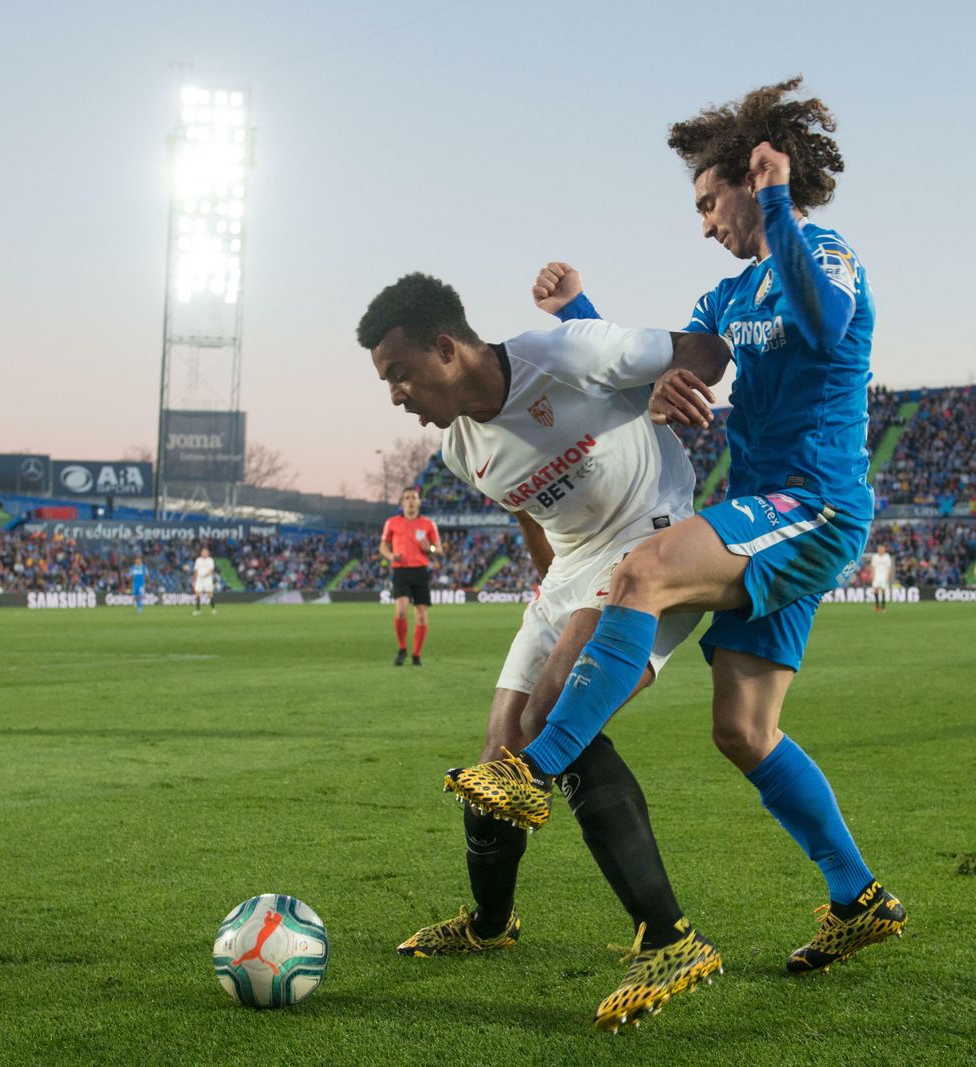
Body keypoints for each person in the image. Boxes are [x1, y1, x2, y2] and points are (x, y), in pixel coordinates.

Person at [447, 78, 906, 975]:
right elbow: (651, 362)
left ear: (754, 179)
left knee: (645, 568)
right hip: (764, 513)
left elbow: (828, 321)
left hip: (814, 506)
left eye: (709, 202)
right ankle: (857, 897)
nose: (702, 223)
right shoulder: (728, 298)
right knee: (742, 730)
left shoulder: (827, 254)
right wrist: (580, 313)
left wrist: (780, 209)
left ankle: (533, 769)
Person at [358, 272, 729, 1031]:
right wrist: (552, 603)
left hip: (652, 545)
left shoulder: (569, 354)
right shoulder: (461, 450)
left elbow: (708, 347)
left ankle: (671, 938)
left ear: (445, 347)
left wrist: (674, 376)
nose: (395, 393)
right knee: (498, 757)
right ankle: (491, 924)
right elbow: (531, 509)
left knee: (556, 723)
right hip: (569, 572)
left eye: (398, 372)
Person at [379, 487, 440, 666]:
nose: (411, 501)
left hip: (420, 571)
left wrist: (429, 548)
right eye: (407, 498)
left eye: (414, 498)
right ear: (402, 502)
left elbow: (439, 549)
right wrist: (391, 556)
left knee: (421, 615)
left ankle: (416, 654)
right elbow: (382, 547)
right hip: (401, 570)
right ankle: (402, 649)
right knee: (401, 610)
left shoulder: (428, 524)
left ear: (419, 501)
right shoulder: (392, 522)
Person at [869, 543, 894, 612]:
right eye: (879, 548)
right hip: (876, 575)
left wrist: (888, 576)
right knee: (875, 589)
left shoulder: (887, 556)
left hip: (884, 576)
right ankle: (877, 606)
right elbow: (872, 567)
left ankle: (883, 607)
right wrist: (872, 575)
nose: (880, 549)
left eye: (881, 548)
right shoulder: (875, 556)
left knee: (883, 590)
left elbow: (889, 567)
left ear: (884, 549)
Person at [192, 546, 217, 616]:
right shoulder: (198, 560)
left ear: (208, 553)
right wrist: (194, 579)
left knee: (210, 594)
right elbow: (196, 570)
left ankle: (213, 609)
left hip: (207, 579)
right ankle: (198, 610)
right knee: (197, 594)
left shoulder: (210, 560)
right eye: (203, 552)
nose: (205, 553)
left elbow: (211, 571)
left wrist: (204, 575)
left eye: (206, 552)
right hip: (199, 579)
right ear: (201, 553)